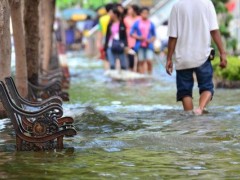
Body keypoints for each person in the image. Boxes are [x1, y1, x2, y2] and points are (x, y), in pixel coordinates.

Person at [166, 0, 228, 115]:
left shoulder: (177, 6)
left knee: (185, 92)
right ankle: (200, 108)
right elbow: (214, 30)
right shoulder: (207, 3)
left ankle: (190, 118)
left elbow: (172, 36)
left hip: (183, 58)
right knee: (207, 88)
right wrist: (222, 53)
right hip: (202, 56)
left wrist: (169, 58)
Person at [130, 7, 156, 74]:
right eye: (143, 13)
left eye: (146, 13)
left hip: (148, 45)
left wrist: (150, 40)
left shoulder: (151, 24)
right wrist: (139, 37)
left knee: (149, 60)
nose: (145, 14)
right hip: (140, 45)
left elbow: (154, 35)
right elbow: (131, 33)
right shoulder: (137, 23)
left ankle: (149, 74)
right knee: (141, 60)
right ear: (140, 14)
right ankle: (141, 74)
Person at [97, 3, 114, 70]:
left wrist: (99, 43)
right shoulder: (115, 17)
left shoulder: (102, 19)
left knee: (105, 58)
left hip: (105, 39)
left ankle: (107, 71)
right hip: (114, 40)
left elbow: (100, 32)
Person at [124, 5, 140, 72]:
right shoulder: (126, 19)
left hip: (139, 41)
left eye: (130, 9)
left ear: (134, 10)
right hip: (129, 41)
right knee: (131, 58)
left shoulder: (140, 18)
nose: (128, 11)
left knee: (140, 58)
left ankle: (139, 72)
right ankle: (131, 71)